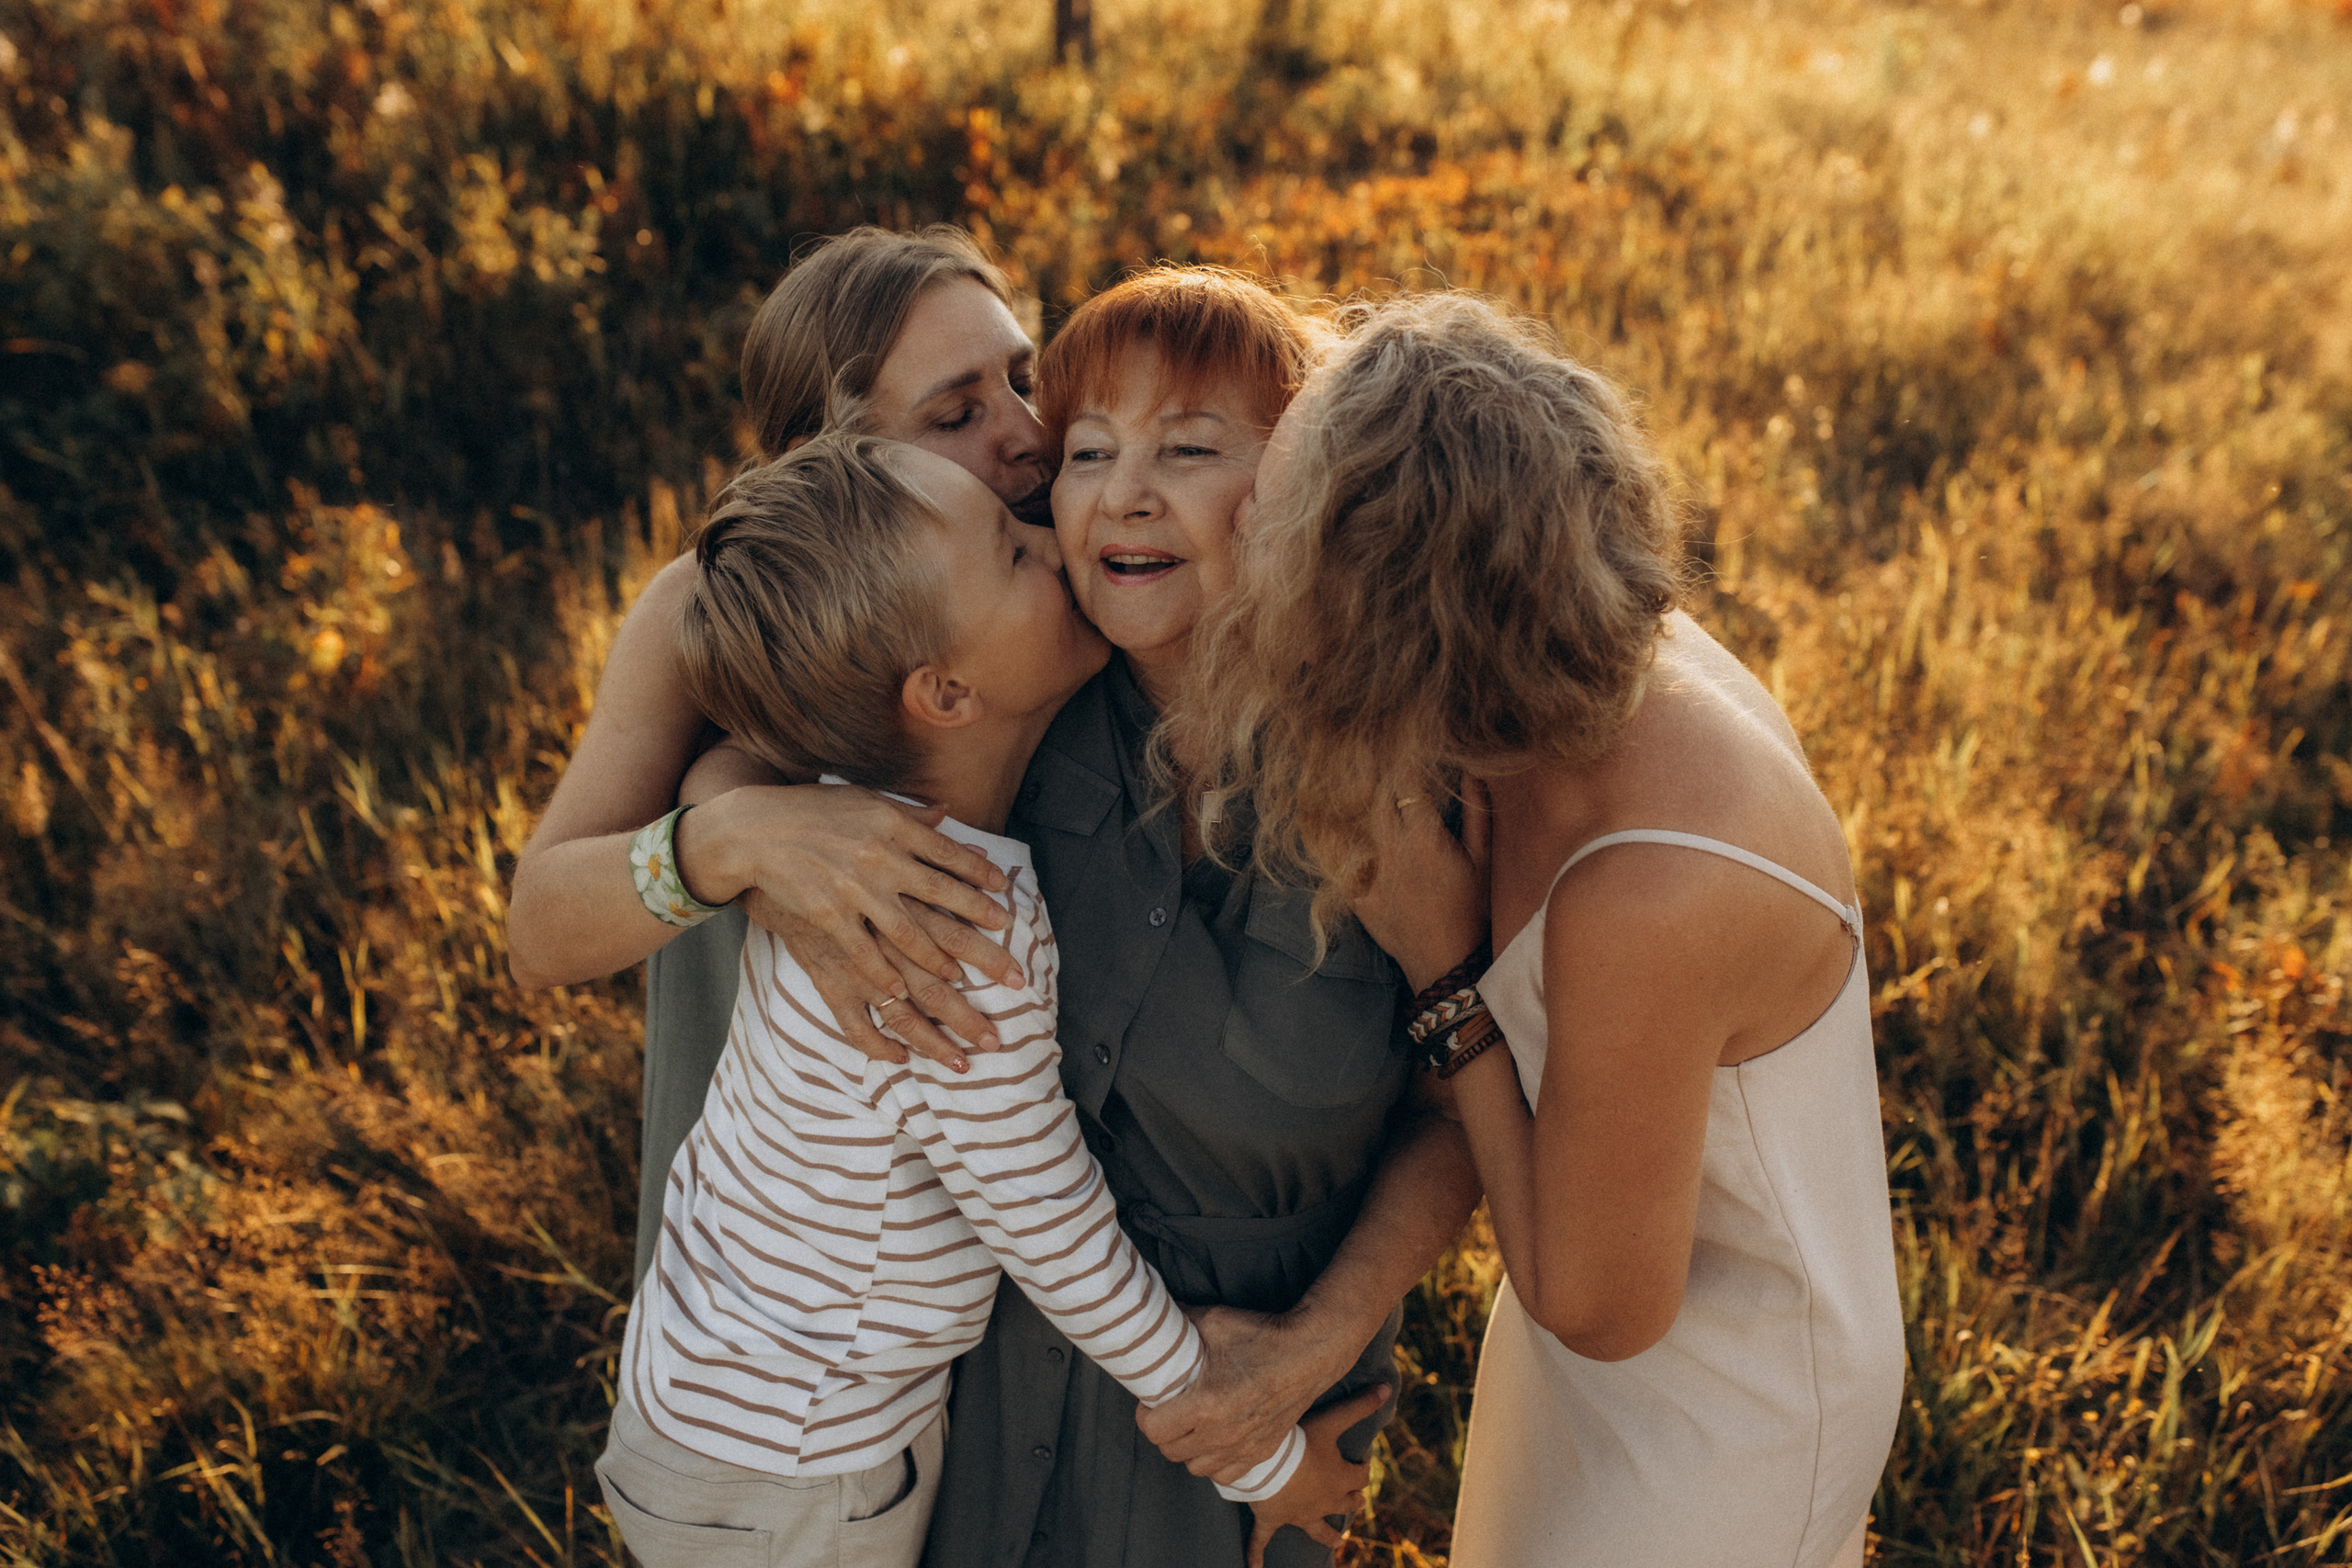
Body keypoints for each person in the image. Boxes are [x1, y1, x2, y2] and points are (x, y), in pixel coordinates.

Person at [508, 245, 1484, 1568]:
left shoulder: (1066, 615)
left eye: (1022, 381)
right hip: (794, 1357)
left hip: (912, 1345)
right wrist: (743, 828)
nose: (1028, 439)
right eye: (955, 414)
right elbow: (543, 923)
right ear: (837, 475)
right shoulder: (773, 618)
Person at [1174, 291, 1905, 1568]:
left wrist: (1445, 977)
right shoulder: (1547, 661)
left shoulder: (1649, 889)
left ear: (1391, 616)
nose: (1246, 528)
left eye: (1277, 523)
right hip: (1602, 1291)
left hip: (1717, 1403)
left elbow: (1600, 1306)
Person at [599, 434, 1329, 1567]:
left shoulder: (834, 828)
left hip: (684, 1399)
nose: (1052, 537)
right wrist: (1261, 1455)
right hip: (799, 1472)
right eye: (1014, 549)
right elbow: (1055, 1236)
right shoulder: (953, 937)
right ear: (945, 691)